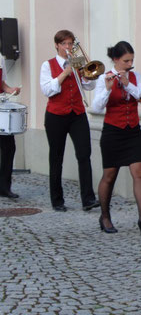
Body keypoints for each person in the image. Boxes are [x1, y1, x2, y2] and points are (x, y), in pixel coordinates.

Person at [92, 41, 141, 234]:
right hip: (112, 132)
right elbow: (96, 107)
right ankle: (104, 217)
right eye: (126, 61)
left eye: (132, 60)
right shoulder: (103, 77)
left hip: (133, 131)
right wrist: (107, 88)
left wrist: (128, 85)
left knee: (139, 173)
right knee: (109, 176)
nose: (130, 64)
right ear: (115, 59)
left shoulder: (135, 77)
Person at [40, 30, 99, 212]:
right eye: (64, 44)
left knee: (84, 154)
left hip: (77, 114)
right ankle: (57, 200)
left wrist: (88, 75)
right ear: (57, 45)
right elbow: (47, 90)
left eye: (70, 44)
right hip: (56, 115)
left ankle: (88, 199)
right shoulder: (47, 65)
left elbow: (89, 85)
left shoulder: (79, 62)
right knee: (56, 157)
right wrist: (66, 72)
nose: (68, 47)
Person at [0, 55, 21, 199]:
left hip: (1, 110)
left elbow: (2, 84)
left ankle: (4, 187)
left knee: (9, 147)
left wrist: (10, 89)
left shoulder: (0, 58)